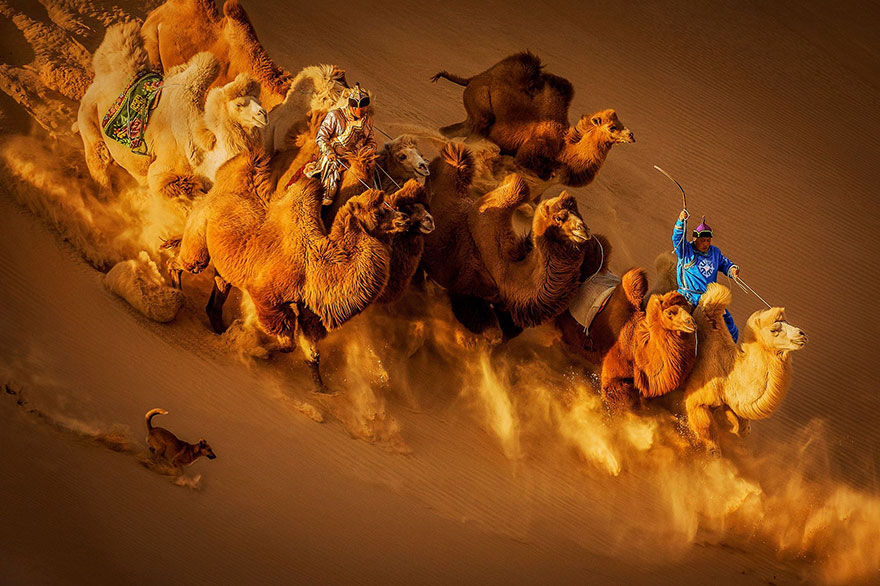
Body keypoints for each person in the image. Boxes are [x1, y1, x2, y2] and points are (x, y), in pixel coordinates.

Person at [673, 210, 741, 342]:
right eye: (702, 240)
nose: (706, 244)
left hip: (709, 298)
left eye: (708, 240)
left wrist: (733, 270)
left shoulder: (715, 252)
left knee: (729, 326)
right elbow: (677, 239)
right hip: (689, 297)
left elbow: (724, 263)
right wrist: (681, 221)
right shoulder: (686, 251)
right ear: (695, 239)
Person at [304, 83, 377, 205]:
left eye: (366, 108)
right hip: (335, 156)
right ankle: (322, 200)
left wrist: (369, 150)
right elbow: (321, 137)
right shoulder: (335, 116)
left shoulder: (367, 120)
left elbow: (371, 139)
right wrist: (329, 152)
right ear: (353, 108)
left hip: (357, 158)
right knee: (330, 190)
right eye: (362, 109)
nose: (365, 111)